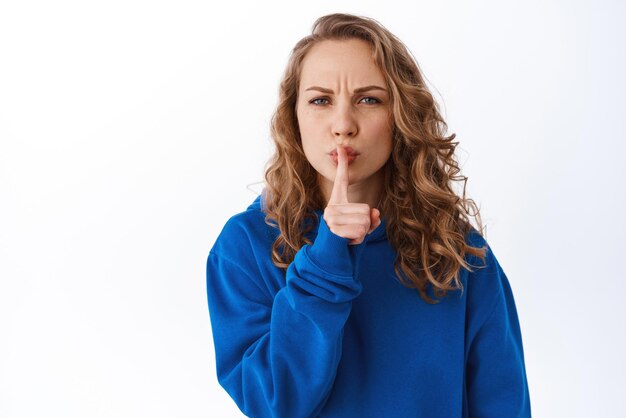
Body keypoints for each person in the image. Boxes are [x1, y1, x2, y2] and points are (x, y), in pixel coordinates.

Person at [206, 13, 531, 417]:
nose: (343, 125)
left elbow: (503, 402)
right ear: (294, 117)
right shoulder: (244, 247)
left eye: (368, 99)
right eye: (320, 100)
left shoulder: (459, 250)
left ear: (400, 115)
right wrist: (326, 259)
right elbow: (275, 404)